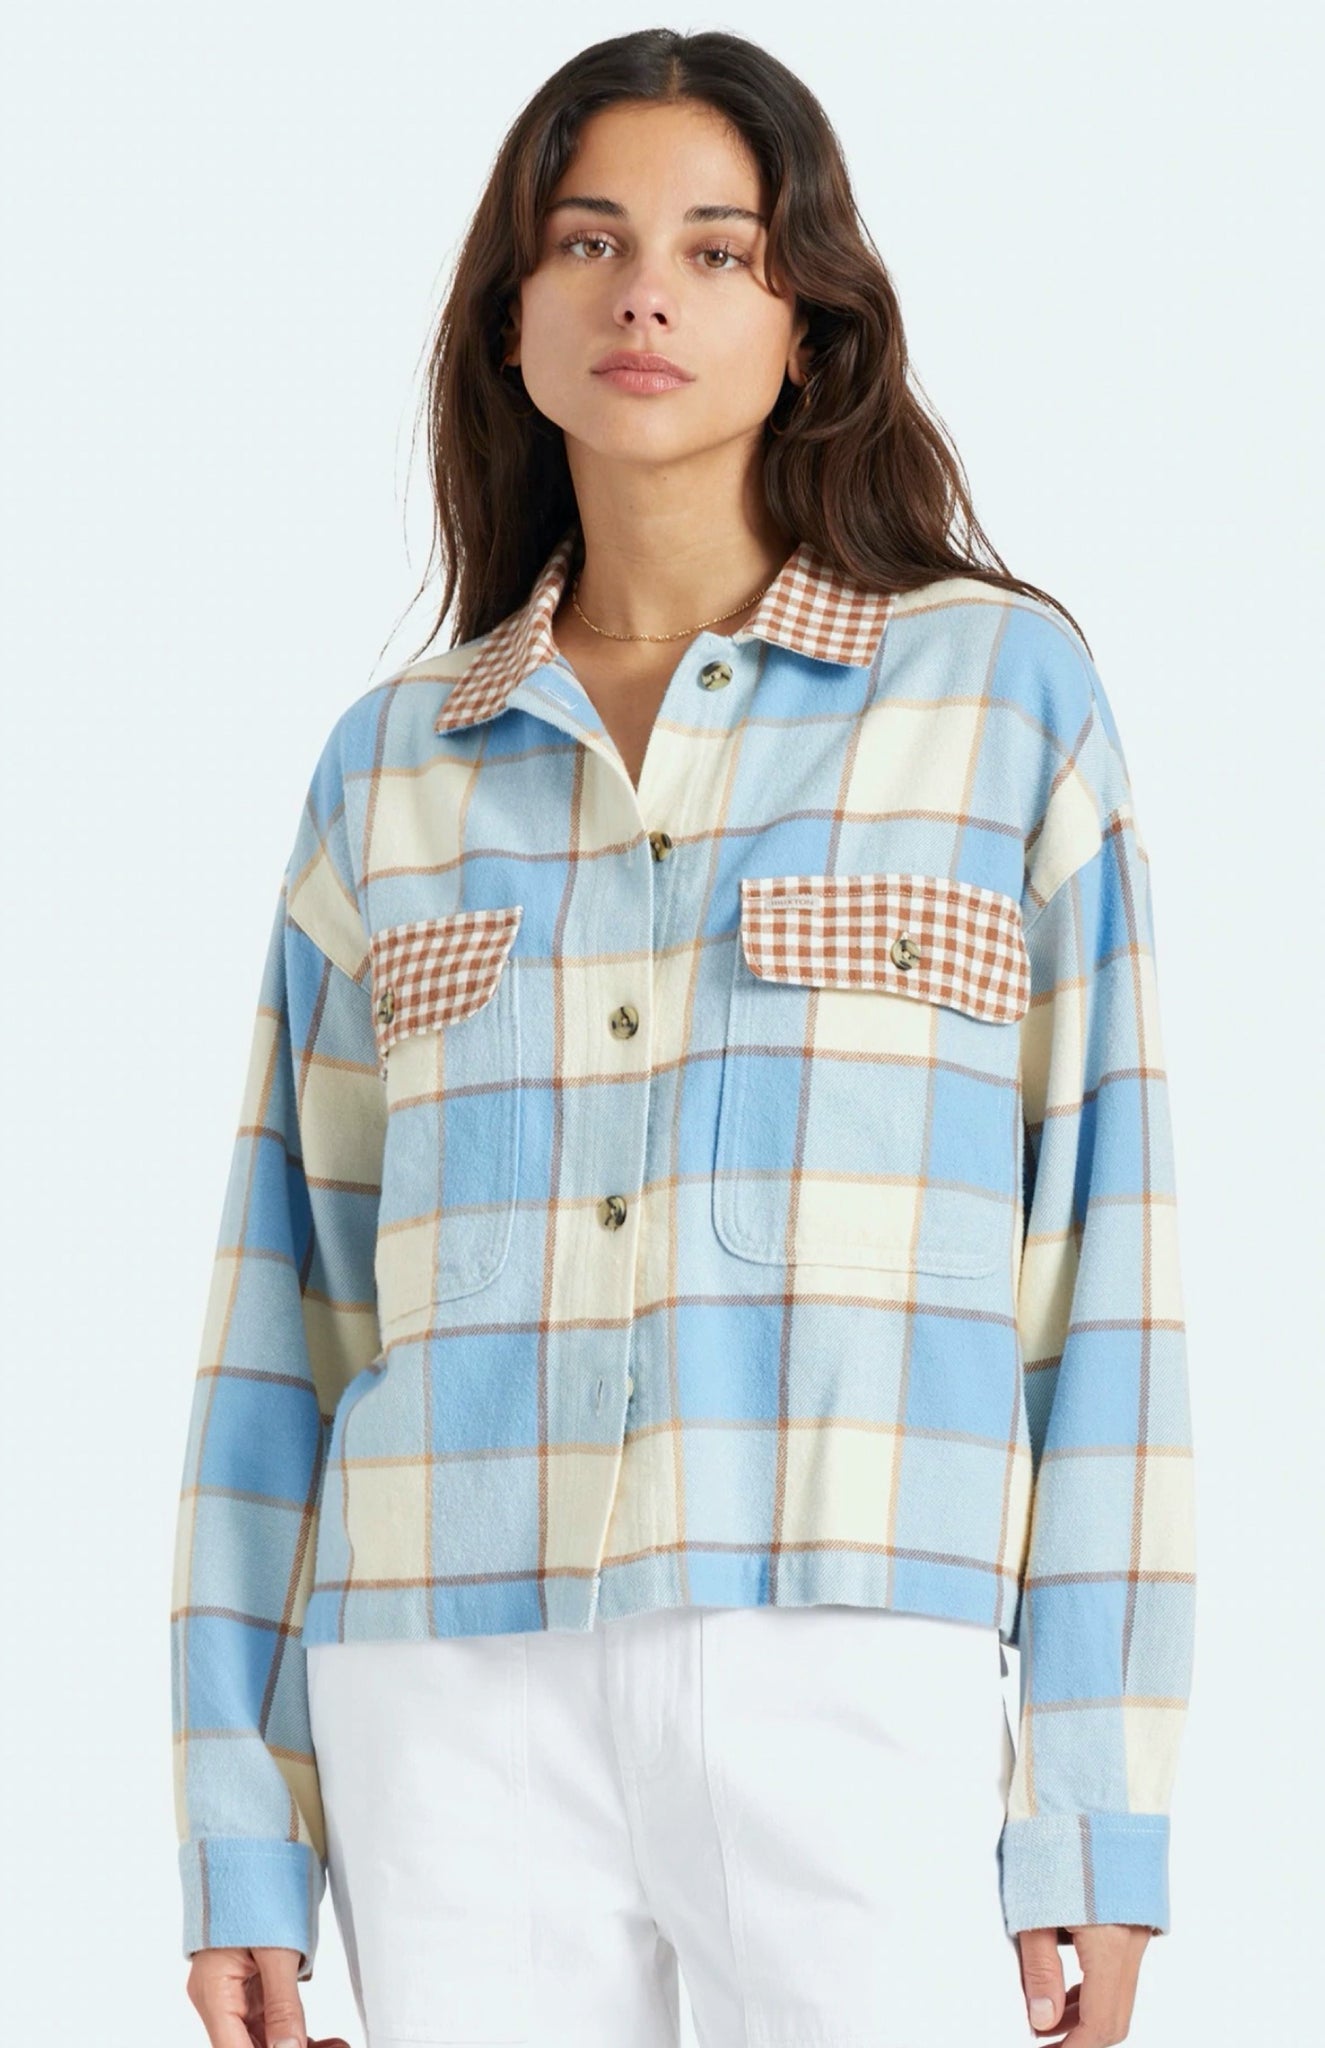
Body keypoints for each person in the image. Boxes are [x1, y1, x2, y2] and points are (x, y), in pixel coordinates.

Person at [170, 26, 1195, 2048]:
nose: (644, 293)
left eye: (717, 251)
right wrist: (240, 1820)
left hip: (849, 1648)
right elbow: (285, 1315)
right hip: (440, 1691)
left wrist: (1092, 1797)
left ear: (806, 325)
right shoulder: (391, 767)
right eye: (589, 242)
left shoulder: (995, 699)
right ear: (512, 320)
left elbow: (1103, 1271)